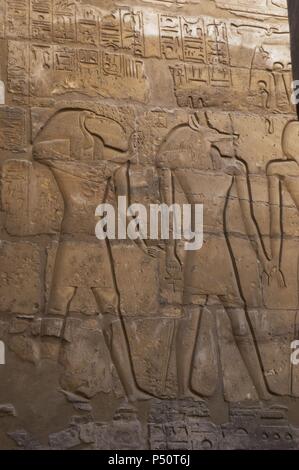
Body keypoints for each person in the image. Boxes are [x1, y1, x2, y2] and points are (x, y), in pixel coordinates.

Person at [156, 112, 271, 400]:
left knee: (239, 324)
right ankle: (181, 394)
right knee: (190, 321)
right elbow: (169, 201)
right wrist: (171, 248)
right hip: (199, 249)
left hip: (221, 253)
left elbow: (248, 219)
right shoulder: (184, 168)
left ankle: (262, 392)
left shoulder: (233, 169)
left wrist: (264, 255)